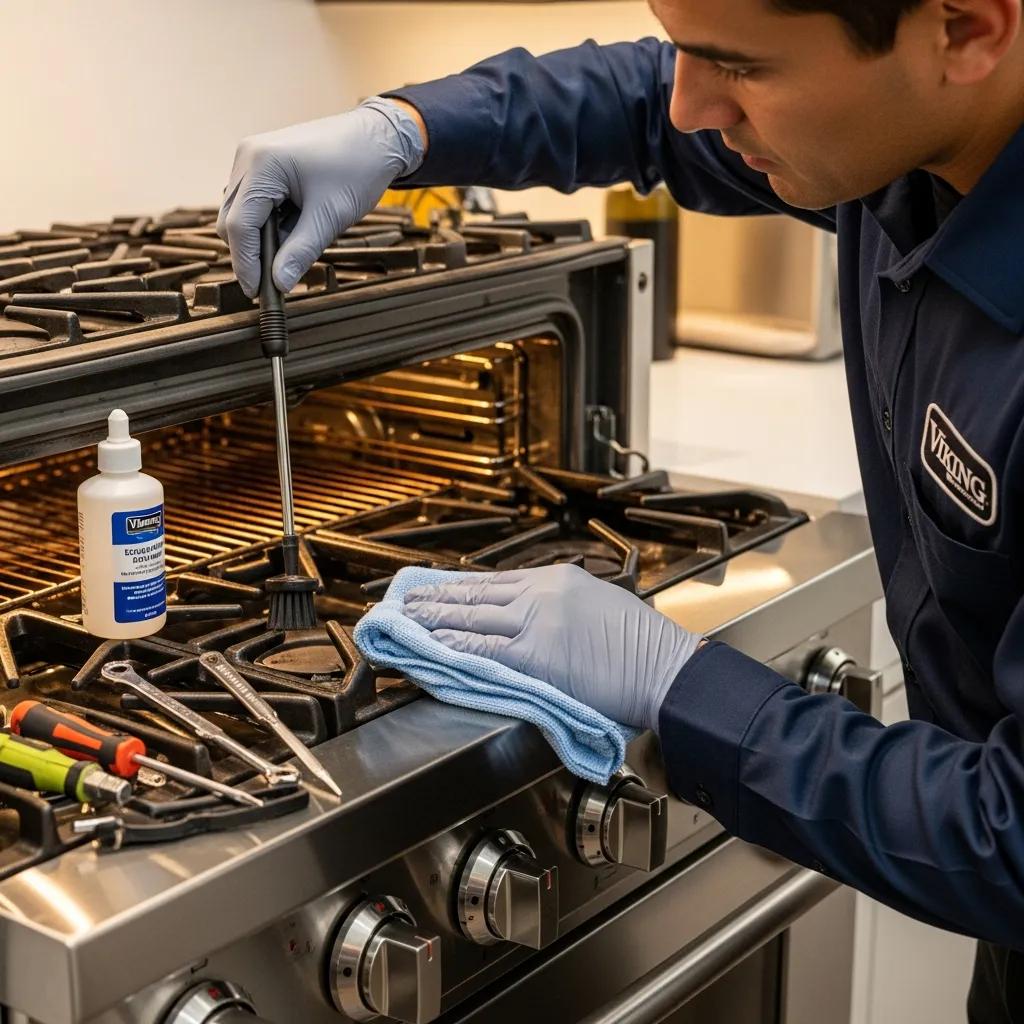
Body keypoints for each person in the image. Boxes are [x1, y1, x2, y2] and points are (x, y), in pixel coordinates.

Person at [217, 1, 1024, 1018]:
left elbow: (1011, 836)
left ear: (965, 29)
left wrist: (681, 686)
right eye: (683, 42)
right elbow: (645, 103)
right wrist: (408, 129)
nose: (690, 104)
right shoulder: (918, 137)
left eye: (736, 67)